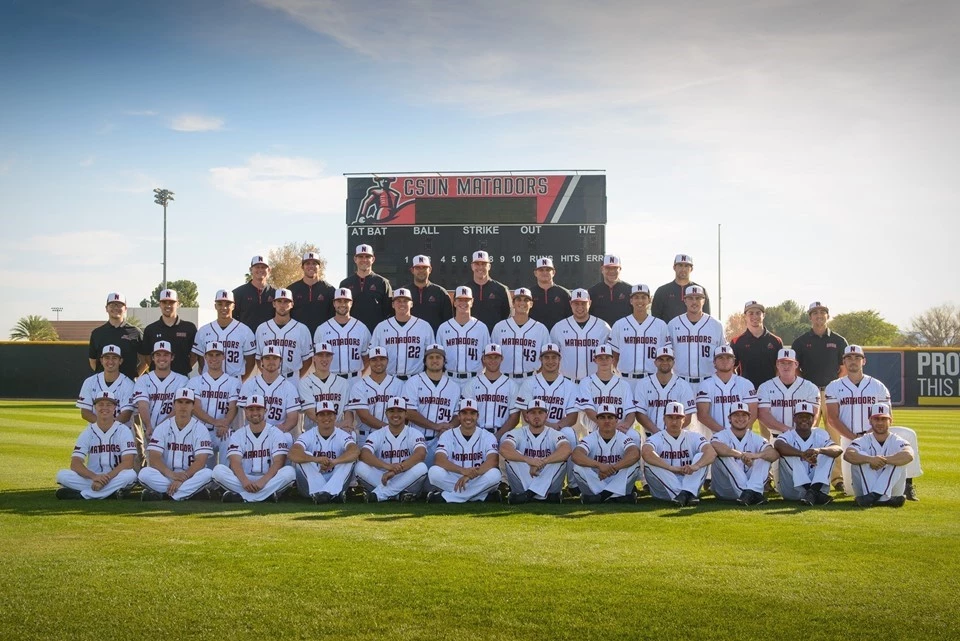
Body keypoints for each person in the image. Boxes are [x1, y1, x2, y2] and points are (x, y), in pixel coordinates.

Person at [826, 345, 923, 500]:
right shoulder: (834, 386)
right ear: (843, 362)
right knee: (852, 491)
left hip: (877, 435)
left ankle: (908, 484)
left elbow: (888, 415)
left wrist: (872, 435)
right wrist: (855, 437)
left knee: (908, 434)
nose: (853, 361)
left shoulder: (877, 386)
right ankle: (879, 491)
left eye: (857, 358)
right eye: (849, 358)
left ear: (864, 361)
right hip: (850, 439)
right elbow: (832, 418)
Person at [515, 342, 581, 496]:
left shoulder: (569, 385)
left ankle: (572, 484)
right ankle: (525, 482)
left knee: (570, 434)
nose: (550, 361)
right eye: (547, 357)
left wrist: (555, 426)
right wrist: (543, 426)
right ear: (541, 360)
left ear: (559, 360)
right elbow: (525, 413)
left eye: (554, 357)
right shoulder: (529, 383)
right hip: (534, 429)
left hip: (557, 430)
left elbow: (572, 417)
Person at [213, 394, 297, 503]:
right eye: (251, 409)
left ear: (265, 411)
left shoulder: (276, 433)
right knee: (218, 471)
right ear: (245, 411)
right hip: (245, 479)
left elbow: (278, 462)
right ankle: (267, 495)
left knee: (289, 472)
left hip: (269, 479)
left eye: (258, 409)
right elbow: (235, 463)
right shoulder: (238, 434)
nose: (255, 413)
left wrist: (262, 482)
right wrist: (245, 482)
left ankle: (243, 497)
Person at [55, 391, 138, 500]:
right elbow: (75, 463)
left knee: (130, 475)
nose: (105, 408)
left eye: (108, 405)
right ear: (95, 407)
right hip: (92, 478)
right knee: (62, 475)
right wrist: (95, 477)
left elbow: (128, 463)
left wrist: (105, 480)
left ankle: (83, 495)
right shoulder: (88, 432)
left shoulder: (123, 430)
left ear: (114, 408)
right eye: (101, 405)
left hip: (115, 477)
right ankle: (111, 493)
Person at [139, 388, 214, 501]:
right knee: (144, 473)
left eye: (187, 402)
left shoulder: (201, 429)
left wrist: (182, 479)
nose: (183, 406)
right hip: (166, 476)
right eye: (180, 402)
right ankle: (187, 494)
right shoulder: (162, 427)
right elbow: (154, 458)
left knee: (208, 474)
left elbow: (201, 461)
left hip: (190, 477)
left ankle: (166, 494)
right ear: (174, 404)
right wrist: (172, 475)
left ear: (193, 406)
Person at [426, 399, 502, 503]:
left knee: (495, 474)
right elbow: (439, 460)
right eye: (464, 413)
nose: (468, 417)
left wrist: (469, 475)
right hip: (454, 477)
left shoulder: (487, 436)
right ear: (459, 416)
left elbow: (493, 461)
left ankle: (446, 497)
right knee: (433, 472)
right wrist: (463, 471)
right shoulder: (447, 435)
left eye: (472, 413)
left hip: (478, 476)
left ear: (477, 416)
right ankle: (481, 496)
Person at [642, 401, 716, 507]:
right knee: (650, 463)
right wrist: (670, 467)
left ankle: (685, 493)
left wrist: (696, 466)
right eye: (670, 417)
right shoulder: (657, 437)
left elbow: (711, 452)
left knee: (701, 457)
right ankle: (688, 493)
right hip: (664, 489)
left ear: (684, 419)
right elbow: (646, 453)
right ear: (664, 419)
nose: (674, 421)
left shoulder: (693, 436)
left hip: (688, 480)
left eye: (678, 418)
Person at [356, 396, 430, 502]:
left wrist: (395, 471)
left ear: (405, 414)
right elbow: (364, 454)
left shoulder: (414, 433)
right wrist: (388, 467)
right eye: (391, 411)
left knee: (421, 467)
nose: (395, 415)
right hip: (383, 477)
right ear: (386, 414)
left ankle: (379, 494)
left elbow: (420, 454)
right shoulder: (378, 434)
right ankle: (397, 495)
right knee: (359, 466)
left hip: (406, 477)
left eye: (399, 411)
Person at [499, 399, 571, 504]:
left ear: (546, 416)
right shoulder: (517, 433)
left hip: (545, 478)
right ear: (526, 416)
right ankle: (544, 496)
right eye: (533, 412)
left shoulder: (554, 433)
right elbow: (504, 448)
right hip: (526, 479)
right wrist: (528, 460)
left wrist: (543, 462)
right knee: (513, 457)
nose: (536, 416)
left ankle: (529, 495)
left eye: (540, 412)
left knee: (560, 459)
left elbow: (566, 449)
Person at [288, 400, 360, 503]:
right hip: (310, 485)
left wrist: (334, 462)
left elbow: (355, 451)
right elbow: (292, 453)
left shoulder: (342, 434)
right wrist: (316, 459)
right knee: (305, 455)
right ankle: (330, 493)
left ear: (335, 417)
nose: (326, 418)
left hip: (335, 480)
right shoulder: (308, 434)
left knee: (349, 459)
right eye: (322, 414)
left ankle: (324, 494)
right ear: (316, 418)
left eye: (329, 414)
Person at [843, 403, 914, 508]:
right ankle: (884, 499)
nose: (880, 423)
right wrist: (870, 459)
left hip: (888, 491)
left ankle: (874, 497)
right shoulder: (863, 440)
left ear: (890, 421)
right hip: (864, 490)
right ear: (870, 421)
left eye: (884, 419)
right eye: (876, 419)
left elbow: (909, 455)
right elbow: (848, 455)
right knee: (861, 456)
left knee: (899, 459)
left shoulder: (897, 440)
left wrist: (883, 460)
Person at [402, 344, 461, 465]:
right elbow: (408, 413)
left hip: (442, 441)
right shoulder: (413, 382)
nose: (435, 360)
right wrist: (435, 426)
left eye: (438, 357)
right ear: (425, 361)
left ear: (444, 361)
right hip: (415, 441)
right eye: (431, 357)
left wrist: (449, 427)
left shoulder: (454, 386)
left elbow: (458, 415)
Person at [570, 403, 642, 504]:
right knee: (578, 467)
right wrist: (600, 465)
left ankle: (601, 497)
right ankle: (616, 496)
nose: (607, 421)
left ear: (616, 420)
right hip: (597, 479)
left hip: (617, 478)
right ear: (597, 420)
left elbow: (635, 454)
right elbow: (576, 455)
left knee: (634, 465)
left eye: (610, 417)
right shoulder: (591, 438)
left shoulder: (622, 437)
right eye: (602, 417)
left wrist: (613, 468)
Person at [710, 402, 779, 505]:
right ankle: (752, 492)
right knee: (723, 456)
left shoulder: (756, 438)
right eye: (736, 415)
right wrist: (741, 455)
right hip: (725, 489)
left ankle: (750, 492)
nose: (740, 418)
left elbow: (774, 454)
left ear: (749, 417)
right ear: (729, 418)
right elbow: (715, 446)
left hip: (746, 490)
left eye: (744, 415)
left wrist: (755, 455)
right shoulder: (721, 435)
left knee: (765, 457)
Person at [774, 401, 841, 505]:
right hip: (793, 491)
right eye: (800, 416)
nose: (804, 419)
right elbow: (778, 445)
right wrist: (801, 454)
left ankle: (813, 491)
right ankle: (813, 492)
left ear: (813, 419)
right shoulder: (788, 435)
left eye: (807, 416)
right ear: (794, 419)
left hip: (820, 490)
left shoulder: (820, 433)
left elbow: (838, 449)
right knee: (789, 455)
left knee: (828, 453)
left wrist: (819, 450)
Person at [187, 341, 241, 465]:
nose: (214, 358)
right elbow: (195, 408)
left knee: (229, 436)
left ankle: (224, 478)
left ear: (223, 356)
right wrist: (217, 422)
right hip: (201, 431)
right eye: (210, 355)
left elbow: (233, 407)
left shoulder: (233, 382)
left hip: (223, 430)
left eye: (218, 354)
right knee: (205, 473)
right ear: (205, 357)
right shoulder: (195, 382)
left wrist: (225, 424)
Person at [344, 346, 406, 446]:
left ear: (387, 361)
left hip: (394, 436)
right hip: (367, 436)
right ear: (369, 361)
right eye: (374, 360)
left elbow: (404, 413)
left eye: (382, 359)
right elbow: (364, 417)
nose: (378, 363)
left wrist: (394, 431)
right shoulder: (359, 386)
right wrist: (391, 428)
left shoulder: (399, 384)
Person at [608, 284, 671, 382]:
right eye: (636, 297)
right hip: (625, 379)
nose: (640, 301)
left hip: (651, 379)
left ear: (649, 300)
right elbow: (614, 355)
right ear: (631, 301)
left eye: (643, 297)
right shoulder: (620, 324)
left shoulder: (660, 325)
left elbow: (665, 356)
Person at [132, 341, 190, 447]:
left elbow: (180, 407)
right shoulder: (143, 380)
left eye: (166, 355)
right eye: (158, 355)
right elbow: (142, 405)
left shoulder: (183, 380)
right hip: (150, 433)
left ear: (172, 357)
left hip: (176, 433)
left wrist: (159, 429)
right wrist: (149, 427)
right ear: (152, 358)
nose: (162, 358)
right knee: (153, 462)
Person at [370, 288, 435, 379]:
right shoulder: (381, 327)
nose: (402, 304)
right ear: (393, 304)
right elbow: (372, 355)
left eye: (405, 301)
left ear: (411, 304)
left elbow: (432, 355)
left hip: (416, 379)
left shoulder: (424, 326)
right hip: (389, 379)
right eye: (398, 301)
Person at [192, 289, 257, 381]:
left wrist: (241, 380)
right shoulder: (203, 331)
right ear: (215, 306)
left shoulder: (245, 331)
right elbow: (200, 360)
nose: (224, 308)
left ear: (233, 306)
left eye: (227, 304)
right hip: (209, 381)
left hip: (234, 380)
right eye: (220, 304)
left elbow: (250, 361)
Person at [757, 348, 820, 441]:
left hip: (802, 437)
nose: (786, 366)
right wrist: (788, 430)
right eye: (782, 363)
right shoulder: (765, 387)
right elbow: (763, 415)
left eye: (790, 363)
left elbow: (814, 414)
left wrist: (800, 431)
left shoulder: (810, 387)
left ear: (796, 365)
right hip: (776, 437)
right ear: (777, 365)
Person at [550, 288, 611, 384]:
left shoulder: (603, 327)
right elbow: (551, 358)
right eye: (576, 303)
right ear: (570, 304)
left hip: (595, 383)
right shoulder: (559, 327)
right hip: (567, 383)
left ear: (590, 303)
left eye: (583, 303)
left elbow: (611, 357)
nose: (580, 307)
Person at [238, 345, 303, 434]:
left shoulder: (289, 388)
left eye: (275, 358)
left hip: (278, 433)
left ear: (280, 361)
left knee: (287, 438)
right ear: (262, 361)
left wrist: (282, 429)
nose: (271, 361)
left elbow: (293, 419)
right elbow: (244, 414)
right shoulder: (249, 385)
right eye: (267, 358)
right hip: (253, 433)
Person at [460, 344, 521, 439]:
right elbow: (465, 415)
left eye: (496, 357)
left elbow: (515, 417)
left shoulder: (511, 385)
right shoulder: (471, 384)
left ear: (502, 359)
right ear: (483, 359)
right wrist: (479, 435)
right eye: (489, 357)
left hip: (503, 435)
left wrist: (498, 435)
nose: (493, 361)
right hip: (476, 434)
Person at [667, 285, 724, 386]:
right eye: (690, 298)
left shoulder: (716, 325)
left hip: (709, 382)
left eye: (698, 298)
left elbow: (722, 355)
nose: (694, 302)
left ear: (704, 300)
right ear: (685, 300)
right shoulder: (673, 324)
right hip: (680, 382)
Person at [695, 345, 758, 435]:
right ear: (714, 362)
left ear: (733, 362)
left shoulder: (746, 384)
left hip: (741, 437)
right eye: (720, 358)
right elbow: (702, 415)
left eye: (728, 358)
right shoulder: (705, 385)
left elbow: (753, 413)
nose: (725, 361)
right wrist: (726, 434)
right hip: (713, 437)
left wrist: (739, 433)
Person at [575, 344, 638, 435]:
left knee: (634, 435)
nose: (604, 361)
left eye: (607, 358)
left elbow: (631, 412)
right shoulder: (585, 383)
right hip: (595, 431)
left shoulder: (624, 384)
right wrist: (609, 426)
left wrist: (626, 425)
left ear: (613, 360)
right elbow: (588, 411)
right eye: (600, 358)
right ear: (595, 360)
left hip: (620, 431)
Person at [634, 346, 696, 436]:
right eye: (661, 359)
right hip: (650, 435)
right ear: (655, 362)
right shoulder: (643, 384)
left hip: (676, 436)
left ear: (673, 362)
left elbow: (688, 416)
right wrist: (657, 433)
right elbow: (640, 414)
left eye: (668, 359)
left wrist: (670, 434)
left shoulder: (684, 385)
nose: (665, 362)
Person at [255, 288, 314, 381]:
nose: (282, 305)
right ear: (274, 304)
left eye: (286, 301)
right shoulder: (262, 328)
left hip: (292, 378)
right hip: (268, 378)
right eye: (279, 301)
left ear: (292, 304)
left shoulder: (302, 329)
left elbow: (308, 359)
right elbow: (258, 358)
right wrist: (267, 375)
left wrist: (297, 375)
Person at [492, 287, 551, 380]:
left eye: (526, 300)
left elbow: (548, 358)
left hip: (531, 378)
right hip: (505, 378)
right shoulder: (500, 327)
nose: (522, 303)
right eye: (518, 299)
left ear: (531, 304)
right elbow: (492, 357)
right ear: (513, 303)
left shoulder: (540, 329)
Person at [436, 286, 491, 383]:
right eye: (460, 300)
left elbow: (487, 356)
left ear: (472, 302)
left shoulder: (481, 328)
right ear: (454, 302)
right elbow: (437, 357)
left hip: (475, 379)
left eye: (467, 300)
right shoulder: (444, 328)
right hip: (450, 379)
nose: (463, 303)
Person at [314, 287, 371, 380]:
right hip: (331, 378)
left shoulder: (362, 328)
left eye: (346, 301)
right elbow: (316, 360)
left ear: (351, 303)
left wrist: (358, 374)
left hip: (355, 379)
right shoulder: (322, 329)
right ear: (334, 303)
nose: (342, 304)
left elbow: (367, 358)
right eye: (339, 301)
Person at [299, 342, 354, 434]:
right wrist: (337, 425)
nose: (324, 359)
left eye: (328, 355)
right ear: (314, 358)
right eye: (320, 355)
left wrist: (347, 424)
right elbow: (311, 413)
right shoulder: (305, 383)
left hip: (338, 432)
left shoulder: (343, 383)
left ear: (332, 358)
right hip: (312, 432)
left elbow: (348, 411)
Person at [88, 291, 144, 380]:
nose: (116, 308)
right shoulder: (97, 333)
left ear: (125, 308)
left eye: (119, 305)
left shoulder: (135, 332)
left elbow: (145, 361)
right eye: (112, 305)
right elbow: (93, 361)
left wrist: (135, 375)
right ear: (106, 308)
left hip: (128, 384)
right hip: (103, 385)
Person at [140, 288, 198, 376]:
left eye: (171, 302)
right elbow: (147, 357)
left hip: (182, 378)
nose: (168, 306)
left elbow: (194, 355)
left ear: (178, 304)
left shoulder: (189, 328)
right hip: (157, 380)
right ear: (160, 304)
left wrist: (184, 368)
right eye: (164, 302)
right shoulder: (151, 329)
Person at [77, 344, 135, 428]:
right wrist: (103, 426)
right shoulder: (90, 382)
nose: (110, 361)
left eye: (114, 358)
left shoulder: (129, 384)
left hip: (122, 431)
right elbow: (85, 412)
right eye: (107, 358)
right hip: (96, 431)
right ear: (101, 360)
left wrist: (109, 427)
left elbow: (126, 414)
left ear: (120, 361)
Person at [339, 244, 392, 333]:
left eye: (367, 256)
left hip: (376, 333)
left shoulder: (382, 282)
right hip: (352, 334)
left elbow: (389, 312)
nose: (364, 260)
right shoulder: (345, 283)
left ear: (373, 259)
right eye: (360, 257)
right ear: (355, 259)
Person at [730, 300, 783, 390]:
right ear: (745, 317)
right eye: (751, 313)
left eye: (758, 313)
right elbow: (731, 368)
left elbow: (780, 368)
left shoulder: (776, 341)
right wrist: (739, 386)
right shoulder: (737, 341)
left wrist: (776, 387)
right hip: (746, 392)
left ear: (763, 316)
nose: (755, 316)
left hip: (770, 392)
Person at [287, 251, 336, 336]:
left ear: (319, 267)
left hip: (323, 337)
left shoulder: (330, 290)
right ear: (302, 267)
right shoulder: (291, 290)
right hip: (297, 337)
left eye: (314, 263)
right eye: (307, 263)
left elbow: (334, 317)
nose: (311, 266)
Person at [462, 249, 511, 332]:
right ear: (472, 266)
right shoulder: (464, 290)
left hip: (495, 336)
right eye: (477, 264)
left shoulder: (501, 289)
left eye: (484, 264)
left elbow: (507, 315)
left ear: (489, 266)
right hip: (470, 337)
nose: (480, 267)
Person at [651, 253, 711, 321]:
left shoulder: (700, 291)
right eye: (680, 265)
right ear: (674, 267)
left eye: (686, 266)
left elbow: (706, 317)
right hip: (669, 331)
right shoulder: (662, 291)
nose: (683, 269)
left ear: (691, 269)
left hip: (695, 331)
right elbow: (656, 319)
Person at [404, 255, 453, 332]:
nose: (421, 270)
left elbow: (448, 321)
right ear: (412, 270)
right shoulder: (404, 293)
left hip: (434, 338)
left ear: (430, 269)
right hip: (410, 339)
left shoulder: (440, 292)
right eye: (418, 268)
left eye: (424, 267)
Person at [233, 255, 276, 332]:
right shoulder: (238, 293)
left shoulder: (275, 294)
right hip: (245, 338)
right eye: (257, 267)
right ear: (251, 269)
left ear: (269, 270)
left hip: (269, 339)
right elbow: (232, 319)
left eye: (263, 267)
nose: (260, 270)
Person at [587, 254, 632, 326]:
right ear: (602, 269)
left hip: (624, 334)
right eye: (608, 268)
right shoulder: (592, 292)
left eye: (615, 268)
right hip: (600, 334)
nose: (611, 271)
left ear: (620, 269)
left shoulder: (630, 290)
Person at [528, 257, 571, 331]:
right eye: (541, 270)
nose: (544, 272)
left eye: (548, 270)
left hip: (560, 334)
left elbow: (571, 317)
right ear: (535, 273)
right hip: (535, 334)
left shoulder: (564, 293)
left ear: (553, 272)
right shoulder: (529, 294)